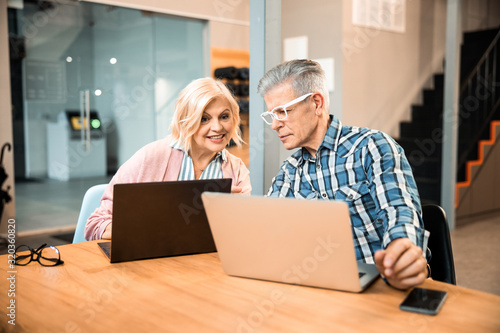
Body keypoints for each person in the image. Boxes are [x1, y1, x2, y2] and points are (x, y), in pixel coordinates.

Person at [257, 59, 429, 290]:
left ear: (316, 103)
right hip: (322, 286)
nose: (274, 125)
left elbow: (398, 209)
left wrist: (400, 254)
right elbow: (268, 227)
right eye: (271, 115)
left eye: (282, 112)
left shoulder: (371, 146)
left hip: (381, 283)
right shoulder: (290, 171)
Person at [85, 77, 251, 241]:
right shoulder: (150, 158)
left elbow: (243, 233)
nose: (217, 127)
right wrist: (160, 224)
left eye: (224, 116)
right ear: (186, 121)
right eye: (204, 119)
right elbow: (96, 224)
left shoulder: (237, 170)